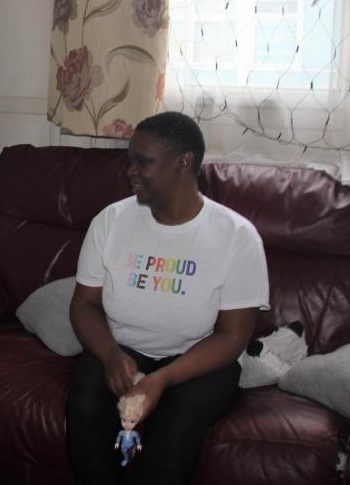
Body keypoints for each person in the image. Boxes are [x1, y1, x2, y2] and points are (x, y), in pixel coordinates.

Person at [66, 111, 270, 484]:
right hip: (121, 350)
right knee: (84, 408)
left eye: (143, 161)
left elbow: (233, 336)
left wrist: (161, 379)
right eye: (130, 161)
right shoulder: (110, 221)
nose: (131, 171)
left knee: (175, 431)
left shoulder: (237, 236)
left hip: (196, 359)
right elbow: (84, 304)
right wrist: (110, 355)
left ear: (183, 162)